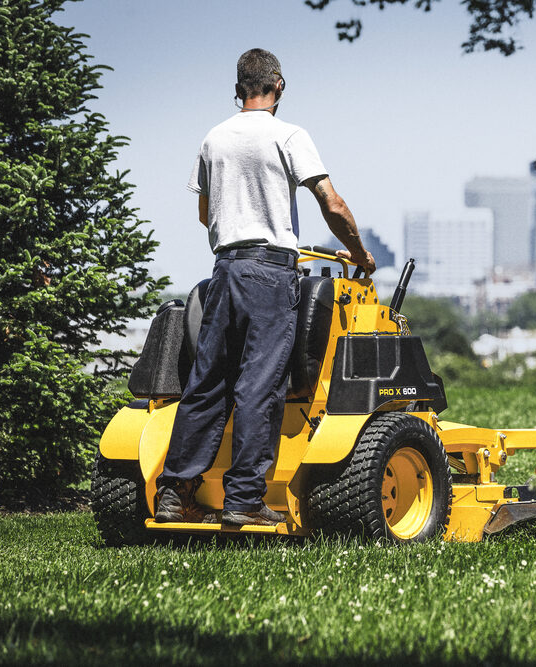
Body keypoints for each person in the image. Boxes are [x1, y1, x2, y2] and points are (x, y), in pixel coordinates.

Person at [154, 48, 376, 526]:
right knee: (261, 384)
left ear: (238, 90)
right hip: (270, 273)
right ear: (279, 86)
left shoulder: (214, 138)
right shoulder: (289, 135)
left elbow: (204, 214)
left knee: (208, 383)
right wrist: (359, 253)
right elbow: (331, 204)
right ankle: (244, 501)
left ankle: (174, 492)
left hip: (226, 268)